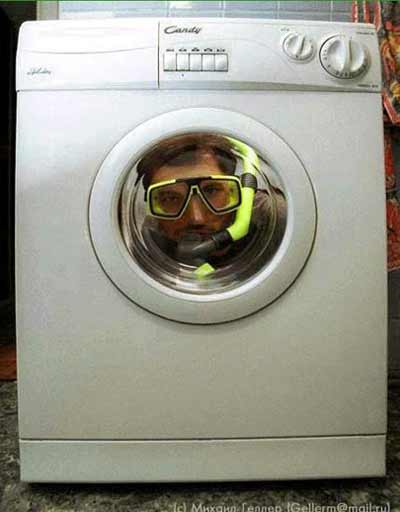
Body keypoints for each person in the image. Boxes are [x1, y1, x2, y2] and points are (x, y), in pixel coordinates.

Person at [135, 133, 286, 271]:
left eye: (211, 191)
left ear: (236, 191)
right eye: (170, 198)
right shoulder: (149, 242)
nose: (196, 218)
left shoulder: (276, 219)